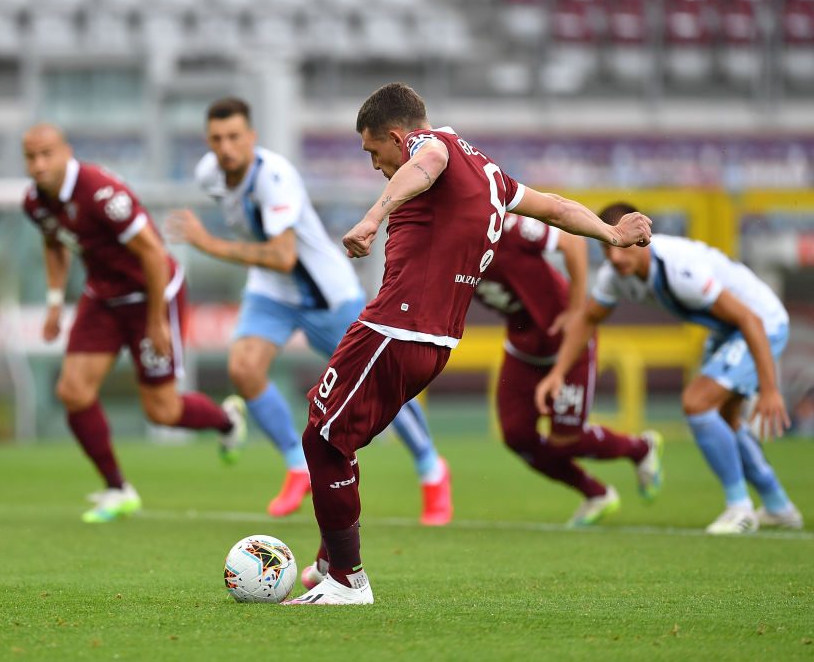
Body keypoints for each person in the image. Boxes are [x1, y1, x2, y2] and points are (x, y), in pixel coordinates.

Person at [285, 83, 654, 605]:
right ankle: (331, 561)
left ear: (396, 136)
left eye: (373, 152)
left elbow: (426, 160)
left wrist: (373, 217)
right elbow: (553, 207)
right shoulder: (489, 173)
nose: (374, 165)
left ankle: (347, 579)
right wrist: (611, 234)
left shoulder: (428, 147)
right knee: (337, 439)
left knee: (323, 439)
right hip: (433, 343)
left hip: (397, 328)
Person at [166, 97, 452, 523]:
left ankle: (431, 470)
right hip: (272, 294)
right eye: (216, 139)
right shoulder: (210, 174)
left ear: (252, 139)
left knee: (381, 387)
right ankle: (297, 466)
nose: (225, 148)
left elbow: (283, 255)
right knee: (244, 369)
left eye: (233, 137)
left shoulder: (275, 178)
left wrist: (206, 244)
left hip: (326, 295)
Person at [21, 123, 245, 523]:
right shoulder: (36, 203)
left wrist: (156, 320)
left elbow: (155, 255)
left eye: (45, 155)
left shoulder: (101, 194)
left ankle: (226, 421)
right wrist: (55, 301)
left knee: (161, 410)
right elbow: (53, 242)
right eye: (30, 157)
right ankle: (117, 489)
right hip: (103, 297)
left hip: (151, 293)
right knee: (73, 391)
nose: (38, 165)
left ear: (65, 153)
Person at [535, 202, 803, 535]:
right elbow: (588, 319)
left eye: (623, 246)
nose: (615, 257)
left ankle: (740, 508)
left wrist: (770, 389)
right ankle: (778, 506)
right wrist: (558, 373)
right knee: (725, 419)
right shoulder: (615, 275)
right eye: (606, 247)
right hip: (728, 331)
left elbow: (749, 319)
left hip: (762, 323)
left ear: (643, 237)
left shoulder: (679, 268)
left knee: (697, 403)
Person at [473, 214, 663, 526]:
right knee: (517, 436)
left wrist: (576, 310)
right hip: (522, 349)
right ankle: (596, 493)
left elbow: (572, 241)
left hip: (568, 346)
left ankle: (641, 448)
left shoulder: (505, 227)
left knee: (566, 440)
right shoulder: (447, 248)